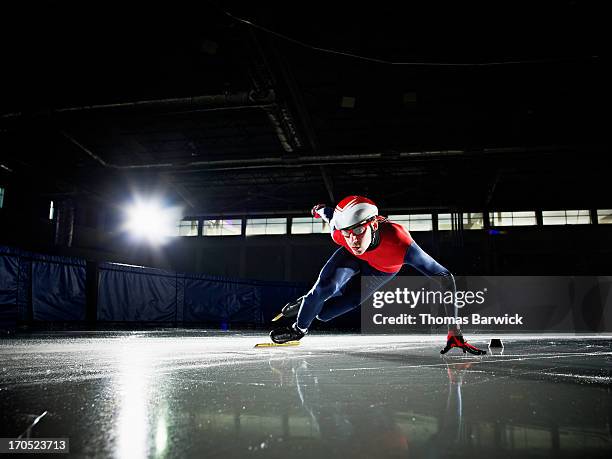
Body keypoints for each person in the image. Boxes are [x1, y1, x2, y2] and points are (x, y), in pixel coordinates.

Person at [270, 195, 486, 355]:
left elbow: (445, 277)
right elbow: (328, 214)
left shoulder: (400, 242)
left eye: (358, 231)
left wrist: (454, 330)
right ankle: (299, 329)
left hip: (381, 271)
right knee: (324, 289)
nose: (353, 239)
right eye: (347, 232)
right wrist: (317, 210)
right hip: (351, 259)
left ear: (373, 224)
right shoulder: (340, 232)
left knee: (324, 314)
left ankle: (305, 305)